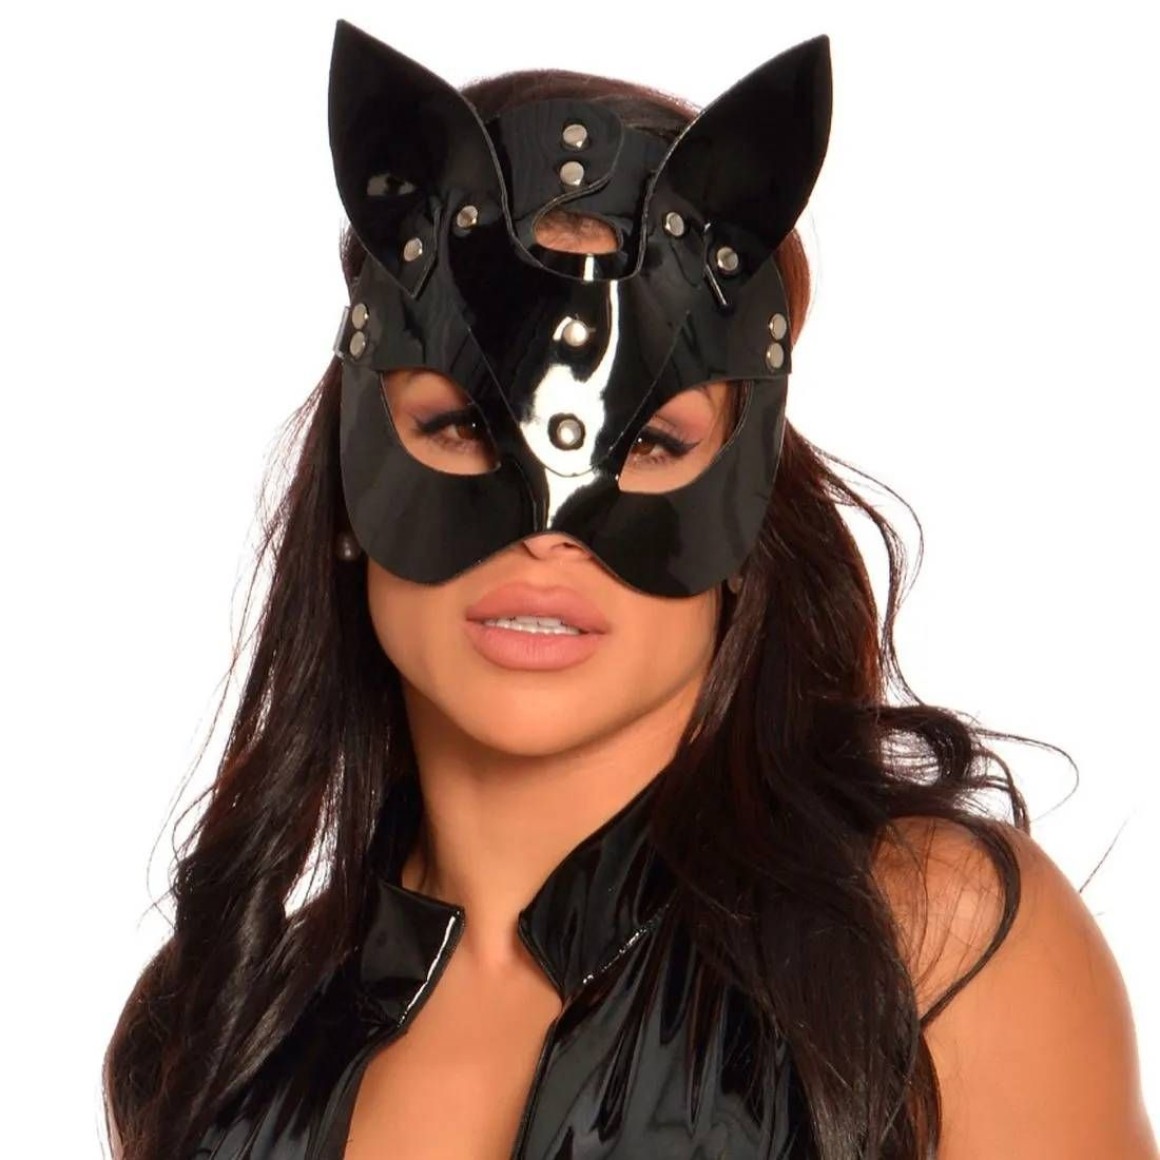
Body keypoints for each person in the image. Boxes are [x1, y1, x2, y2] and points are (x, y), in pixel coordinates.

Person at [102, 18, 1158, 1160]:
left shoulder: (927, 945)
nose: (546, 532)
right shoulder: (223, 1030)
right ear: (351, 486)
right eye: (460, 427)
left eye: (650, 443)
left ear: (748, 500)